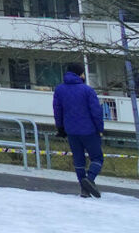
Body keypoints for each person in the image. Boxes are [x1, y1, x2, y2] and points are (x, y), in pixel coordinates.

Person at [53, 63, 107, 197]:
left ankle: (84, 190)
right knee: (97, 158)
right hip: (89, 130)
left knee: (78, 159)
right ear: (80, 74)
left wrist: (60, 128)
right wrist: (100, 128)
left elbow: (57, 110)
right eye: (83, 73)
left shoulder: (59, 90)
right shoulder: (87, 90)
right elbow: (96, 112)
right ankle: (89, 180)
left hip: (71, 130)